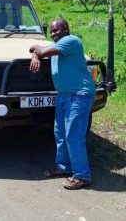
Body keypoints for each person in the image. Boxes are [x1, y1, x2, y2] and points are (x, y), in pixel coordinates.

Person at [29, 18, 96, 190]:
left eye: (56, 30)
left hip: (79, 95)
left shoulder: (70, 41)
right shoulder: (57, 46)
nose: (53, 34)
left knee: (74, 137)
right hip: (64, 95)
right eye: (51, 31)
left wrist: (37, 52)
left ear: (66, 29)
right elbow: (37, 50)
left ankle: (82, 175)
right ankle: (64, 167)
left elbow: (41, 50)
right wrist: (35, 55)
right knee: (60, 133)